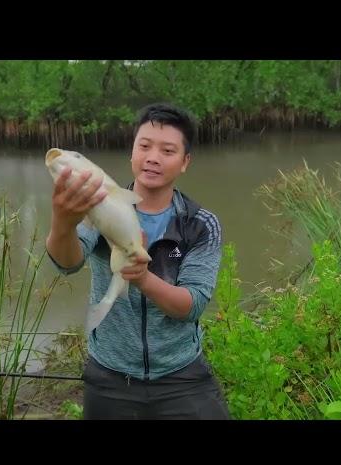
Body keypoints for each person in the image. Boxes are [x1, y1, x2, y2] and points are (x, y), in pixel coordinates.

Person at [46, 103, 230, 420]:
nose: (152, 157)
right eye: (144, 146)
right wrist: (62, 221)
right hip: (110, 374)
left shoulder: (201, 224)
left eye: (167, 150)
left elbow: (193, 305)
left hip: (181, 373)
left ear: (185, 161)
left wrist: (143, 279)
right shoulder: (99, 204)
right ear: (132, 152)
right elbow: (68, 263)